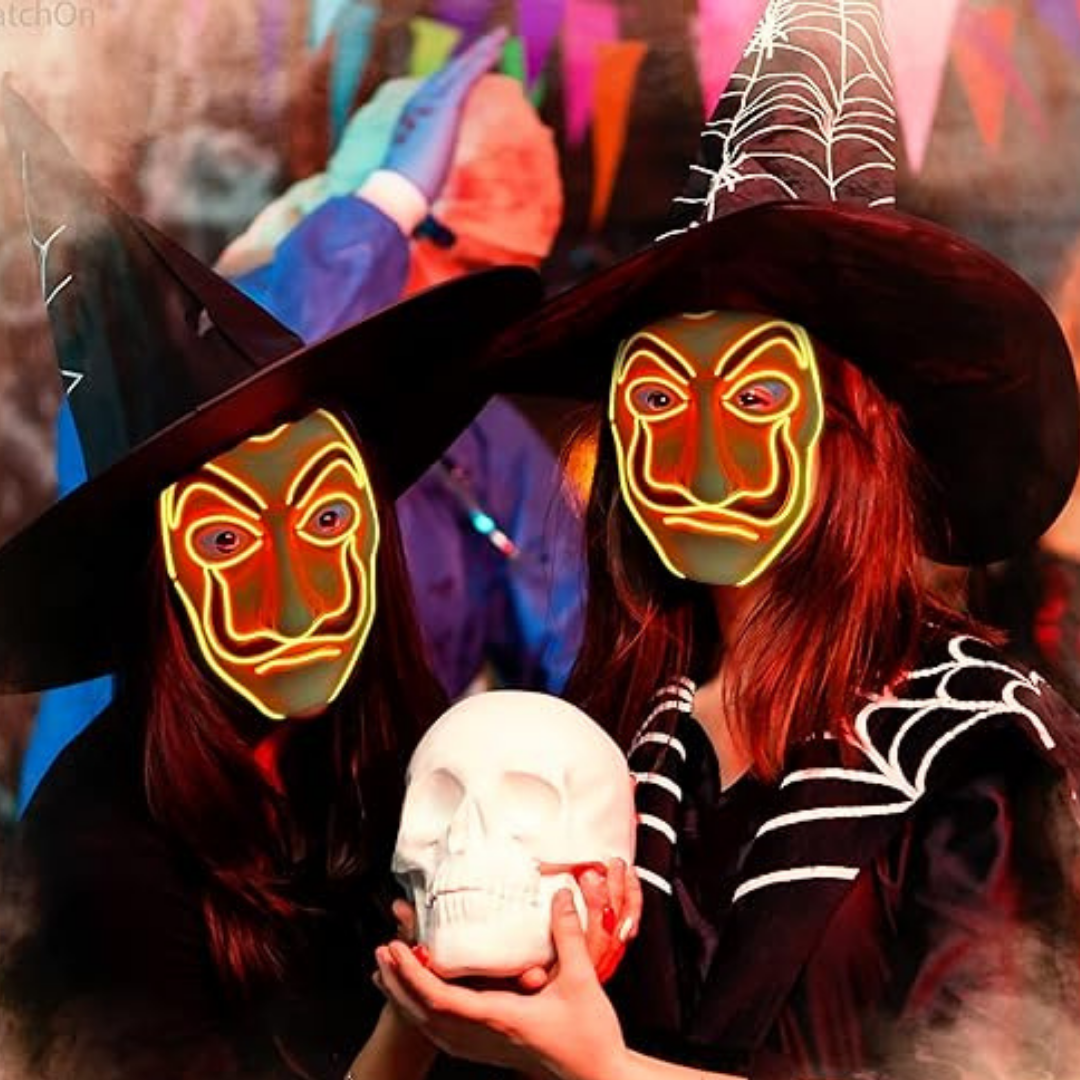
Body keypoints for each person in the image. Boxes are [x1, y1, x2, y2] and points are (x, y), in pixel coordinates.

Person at [371, 4, 1080, 1077]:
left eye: (753, 402)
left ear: (855, 434)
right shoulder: (615, 730)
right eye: (660, 402)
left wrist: (603, 1068)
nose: (700, 467)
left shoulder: (982, 744)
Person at [0, 84, 546, 1080]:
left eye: (327, 520)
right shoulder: (92, 853)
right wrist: (419, 1023)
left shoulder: (398, 767)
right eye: (226, 542)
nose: (295, 603)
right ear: (160, 576)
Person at [17, 31, 583, 812]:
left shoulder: (488, 439)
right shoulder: (172, 367)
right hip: (156, 806)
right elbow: (278, 389)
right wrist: (392, 201)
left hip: (345, 823)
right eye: (459, 266)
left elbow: (564, 620)